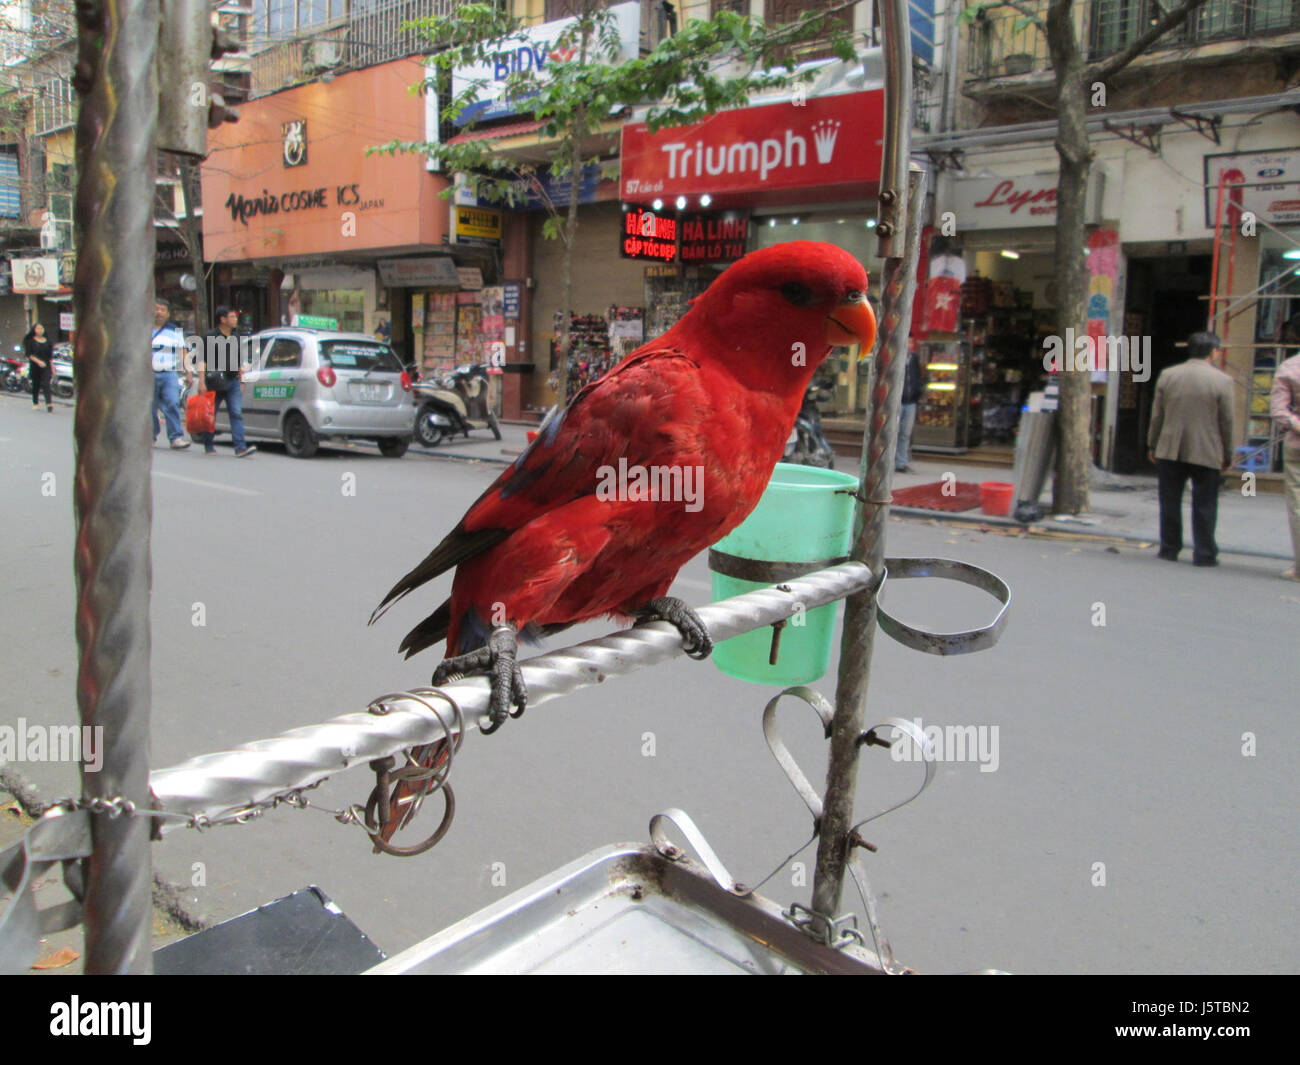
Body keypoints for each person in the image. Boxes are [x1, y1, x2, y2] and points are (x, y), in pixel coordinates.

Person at [1147, 331, 1235, 566]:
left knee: (1169, 500)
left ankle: (1169, 547)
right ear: (1214, 352)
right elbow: (1227, 421)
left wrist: (1153, 443)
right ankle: (1204, 552)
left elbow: (1157, 415)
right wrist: (1228, 453)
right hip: (1206, 449)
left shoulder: (1168, 375)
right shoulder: (1222, 381)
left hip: (1170, 447)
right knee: (1205, 502)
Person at [196, 305, 255, 458]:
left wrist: (242, 381)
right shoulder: (210, 336)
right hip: (214, 381)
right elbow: (201, 360)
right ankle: (208, 445)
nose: (235, 320)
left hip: (232, 380)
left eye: (236, 317)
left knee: (236, 413)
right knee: (211, 414)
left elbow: (240, 361)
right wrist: (201, 382)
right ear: (222, 319)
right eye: (232, 317)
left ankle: (240, 447)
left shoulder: (236, 337)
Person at [1270, 315, 1300, 580]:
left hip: (1297, 444)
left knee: (1298, 506)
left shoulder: (1289, 367)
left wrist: (1297, 424)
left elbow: (1279, 412)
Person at [151, 300, 190, 449]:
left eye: (162, 309)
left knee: (173, 403)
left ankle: (176, 437)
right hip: (148, 374)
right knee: (150, 407)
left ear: (167, 313)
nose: (159, 312)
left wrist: (188, 372)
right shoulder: (142, 328)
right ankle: (150, 436)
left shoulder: (175, 330)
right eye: (156, 309)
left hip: (169, 373)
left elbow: (182, 351)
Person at [895, 346, 923, 473]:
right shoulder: (895, 358)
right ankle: (891, 461)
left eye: (911, 342)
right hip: (897, 402)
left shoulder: (914, 359)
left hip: (911, 401)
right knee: (894, 432)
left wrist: (918, 391)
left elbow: (917, 376)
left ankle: (902, 462)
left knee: (905, 433)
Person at [24, 323, 53, 412]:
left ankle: (49, 403)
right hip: (35, 366)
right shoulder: (30, 341)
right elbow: (29, 354)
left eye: (41, 328)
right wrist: (38, 361)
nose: (40, 330)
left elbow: (50, 356)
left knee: (46, 383)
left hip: (46, 365)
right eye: (38, 328)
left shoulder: (48, 341)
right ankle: (35, 402)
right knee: (36, 384)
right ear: (34, 330)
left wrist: (52, 367)